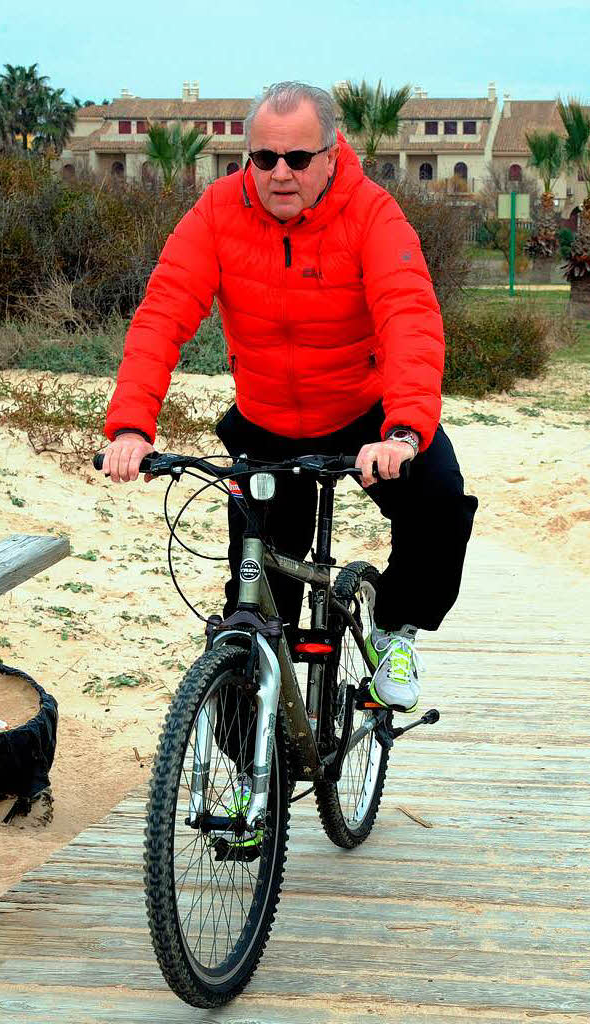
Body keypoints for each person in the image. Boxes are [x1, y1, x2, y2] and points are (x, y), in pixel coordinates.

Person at [99, 81, 478, 713]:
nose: (280, 173)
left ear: (331, 155)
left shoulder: (372, 213)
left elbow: (409, 318)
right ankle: (245, 750)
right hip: (268, 424)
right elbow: (162, 315)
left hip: (367, 416)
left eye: (298, 159)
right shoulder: (218, 212)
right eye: (264, 158)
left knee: (439, 506)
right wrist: (133, 427)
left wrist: (405, 431)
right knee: (255, 606)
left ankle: (395, 623)